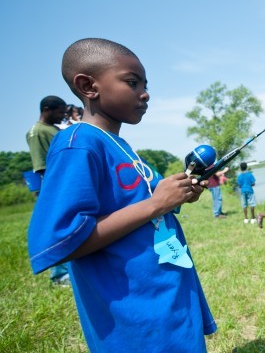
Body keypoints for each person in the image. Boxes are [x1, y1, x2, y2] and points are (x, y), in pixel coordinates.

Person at [27, 38, 217, 351]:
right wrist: (156, 204)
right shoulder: (78, 144)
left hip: (165, 292)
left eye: (145, 84)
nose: (145, 93)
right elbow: (59, 242)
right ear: (88, 86)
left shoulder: (122, 147)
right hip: (134, 313)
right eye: (132, 82)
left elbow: (148, 199)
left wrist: (182, 193)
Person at [26, 95, 71, 286]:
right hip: (54, 185)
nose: (63, 116)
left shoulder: (53, 129)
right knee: (58, 226)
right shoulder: (37, 132)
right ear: (47, 109)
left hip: (67, 182)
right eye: (60, 111)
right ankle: (59, 275)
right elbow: (41, 166)